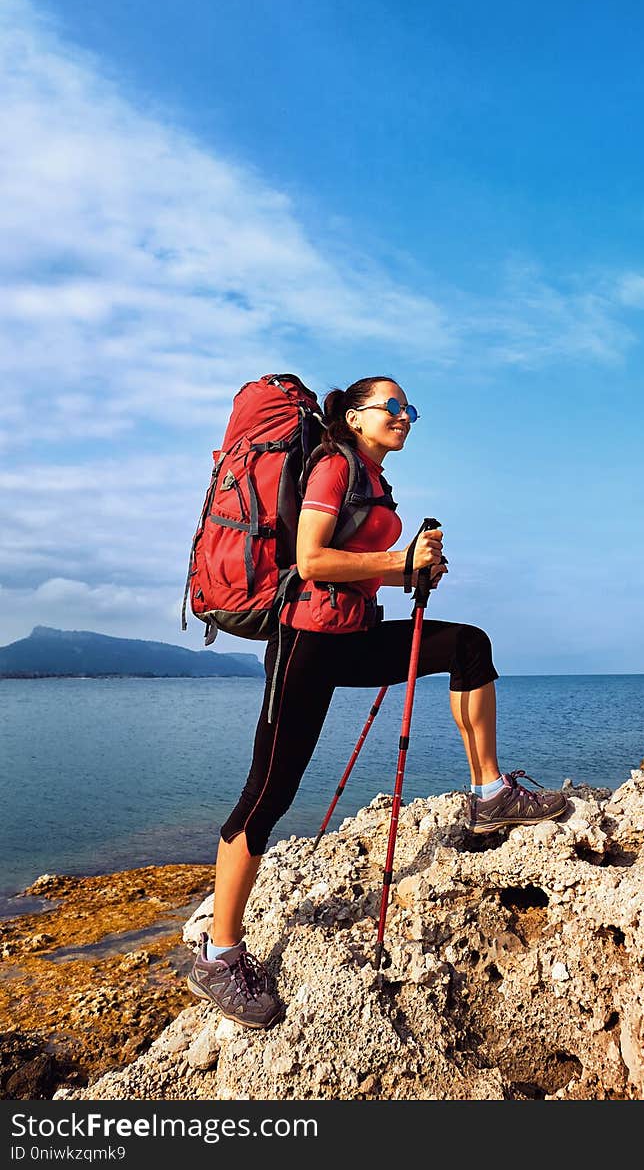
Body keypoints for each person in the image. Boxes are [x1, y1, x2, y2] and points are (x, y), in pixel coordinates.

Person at [187, 375, 567, 1029]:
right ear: (355, 414)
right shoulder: (335, 464)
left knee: (469, 647)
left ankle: (491, 793)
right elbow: (310, 561)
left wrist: (409, 570)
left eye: (410, 408)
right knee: (267, 795)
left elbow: (360, 563)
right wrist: (398, 559)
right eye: (390, 406)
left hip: (351, 637)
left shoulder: (367, 476)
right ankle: (219, 957)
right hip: (306, 644)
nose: (404, 416)